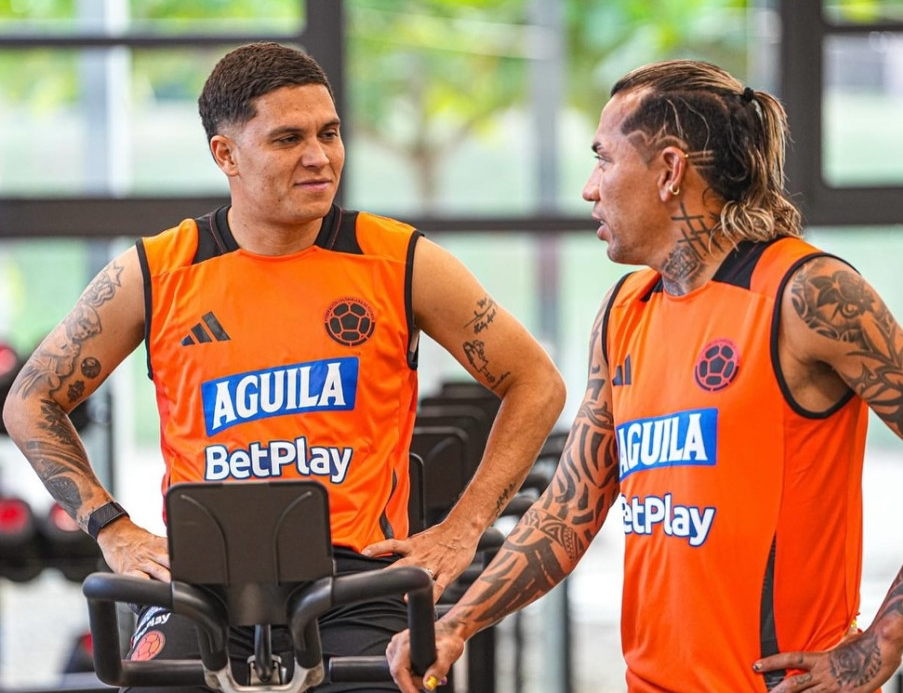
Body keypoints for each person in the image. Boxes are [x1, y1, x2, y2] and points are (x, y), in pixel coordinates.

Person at [1, 42, 566, 692]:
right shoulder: (158, 271)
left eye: (329, 133)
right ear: (225, 155)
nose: (319, 156)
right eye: (288, 138)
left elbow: (536, 383)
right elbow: (30, 400)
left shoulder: (399, 259)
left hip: (358, 579)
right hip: (204, 580)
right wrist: (112, 527)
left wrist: (463, 528)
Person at [385, 59, 903, 693]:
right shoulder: (627, 309)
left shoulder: (805, 294)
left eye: (604, 160)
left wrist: (883, 643)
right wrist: (458, 623)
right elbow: (570, 507)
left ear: (670, 171)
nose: (589, 188)